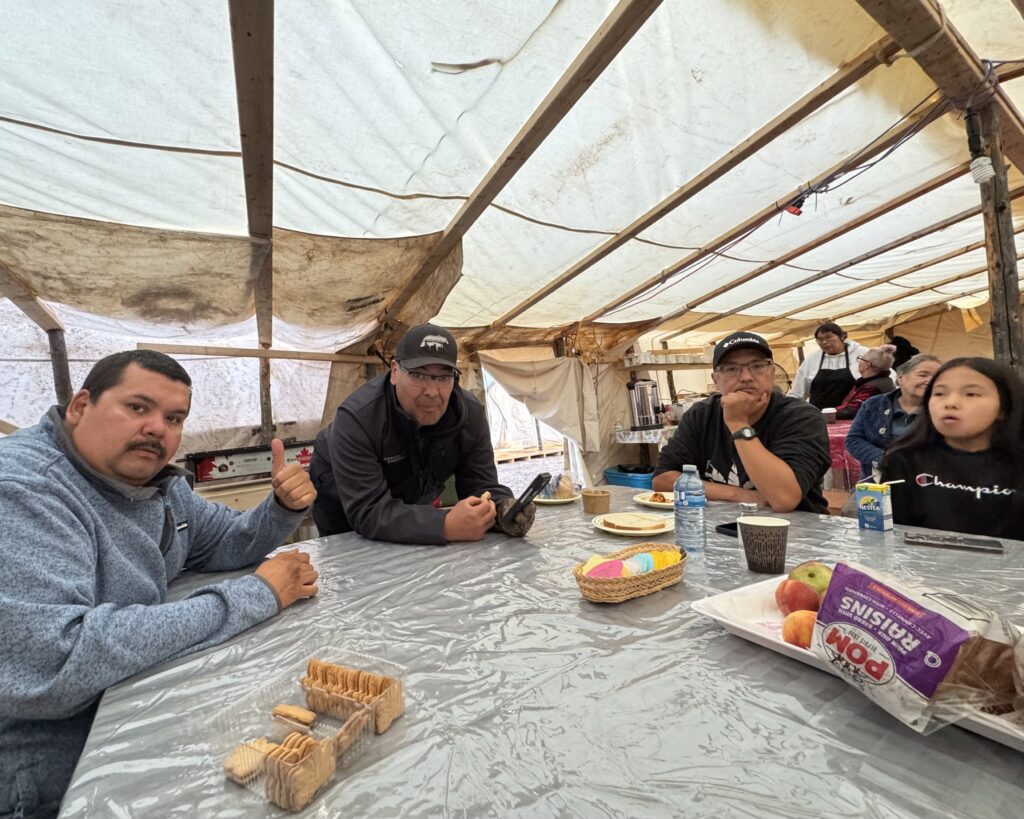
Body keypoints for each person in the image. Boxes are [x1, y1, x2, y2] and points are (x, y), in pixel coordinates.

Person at [0, 351, 319, 819]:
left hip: (137, 719)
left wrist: (281, 510)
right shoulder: (27, 490)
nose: (157, 428)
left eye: (174, 418)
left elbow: (225, 543)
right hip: (49, 781)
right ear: (80, 406)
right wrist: (259, 594)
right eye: (137, 408)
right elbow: (53, 661)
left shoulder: (158, 487)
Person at [311, 323, 534, 544]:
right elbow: (368, 510)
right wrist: (444, 525)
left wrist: (503, 508)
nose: (432, 392)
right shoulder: (357, 419)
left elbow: (481, 485)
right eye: (419, 375)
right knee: (353, 562)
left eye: (443, 377)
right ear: (395, 372)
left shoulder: (468, 415)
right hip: (344, 502)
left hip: (408, 500)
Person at [652, 332, 831, 513]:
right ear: (716, 381)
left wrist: (738, 424)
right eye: (731, 369)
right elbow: (663, 480)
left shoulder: (801, 417)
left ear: (772, 373)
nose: (746, 377)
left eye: (758, 366)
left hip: (796, 532)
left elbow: (783, 499)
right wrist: (743, 496)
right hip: (717, 528)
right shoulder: (701, 415)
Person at [881, 357, 1024, 539]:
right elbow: (892, 536)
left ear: (1004, 407)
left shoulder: (1017, 464)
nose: (950, 403)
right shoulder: (904, 460)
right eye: (939, 393)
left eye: (971, 394)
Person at [844, 354, 941, 478]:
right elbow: (854, 440)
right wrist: (884, 460)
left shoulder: (945, 409)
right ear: (900, 378)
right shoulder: (874, 404)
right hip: (875, 482)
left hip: (927, 481)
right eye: (923, 375)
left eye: (937, 377)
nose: (930, 381)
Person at [788, 322, 872, 409]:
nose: (824, 342)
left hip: (854, 414)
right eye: (820, 339)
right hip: (819, 416)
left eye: (829, 337)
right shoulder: (812, 359)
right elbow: (797, 392)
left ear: (842, 336)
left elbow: (875, 385)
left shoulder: (863, 354)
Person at [834, 344, 896, 420]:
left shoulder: (871, 387)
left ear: (867, 364)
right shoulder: (882, 381)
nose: (859, 362)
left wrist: (827, 413)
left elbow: (852, 411)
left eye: (861, 359)